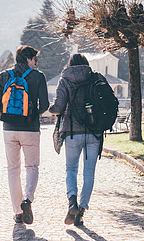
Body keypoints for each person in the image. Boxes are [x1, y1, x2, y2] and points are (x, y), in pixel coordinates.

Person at [0, 45, 49, 224]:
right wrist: (31, 114)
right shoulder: (38, 77)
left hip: (9, 129)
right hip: (30, 129)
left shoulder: (3, 76)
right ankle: (27, 200)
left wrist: (11, 113)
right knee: (31, 167)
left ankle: (18, 212)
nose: (36, 63)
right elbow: (45, 105)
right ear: (28, 59)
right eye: (34, 59)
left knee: (12, 170)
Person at [49, 53, 107, 226]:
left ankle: (72, 201)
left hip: (72, 132)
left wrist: (49, 107)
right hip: (93, 132)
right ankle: (81, 211)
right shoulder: (94, 78)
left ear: (70, 64)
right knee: (89, 173)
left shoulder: (65, 79)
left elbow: (58, 108)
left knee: (71, 169)